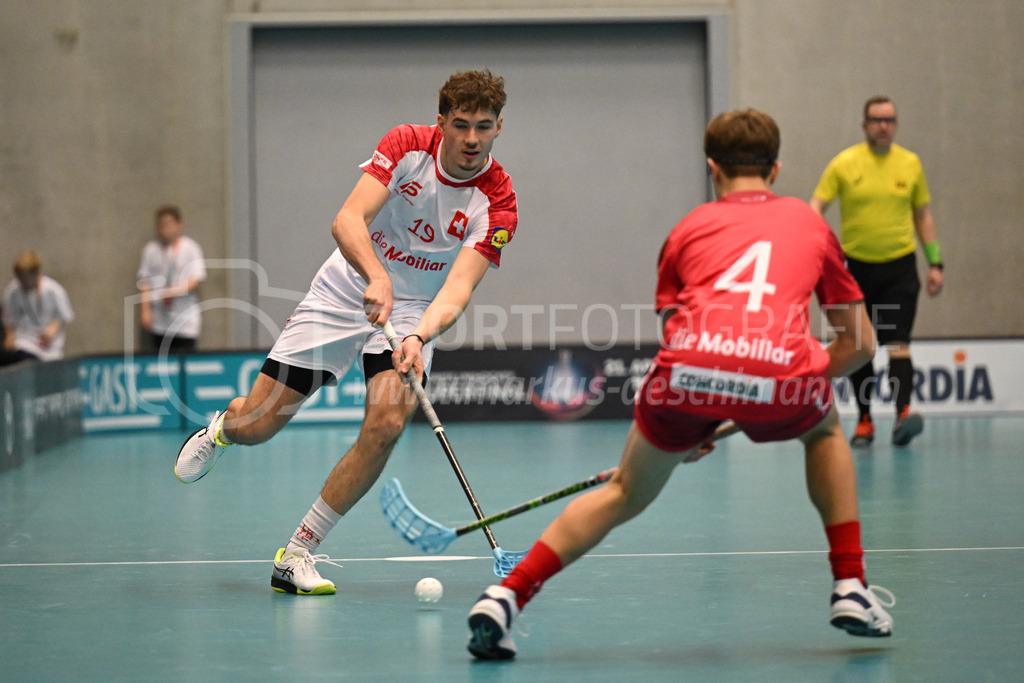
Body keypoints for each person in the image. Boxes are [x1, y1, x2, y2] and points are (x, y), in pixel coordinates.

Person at [466, 109, 894, 661]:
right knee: (826, 429)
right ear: (777, 168)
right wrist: (798, 379)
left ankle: (506, 596)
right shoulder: (811, 225)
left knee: (623, 491)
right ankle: (851, 586)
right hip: (781, 375)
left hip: (683, 378)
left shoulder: (687, 230)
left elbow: (679, 335)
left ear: (712, 168)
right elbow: (860, 344)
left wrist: (700, 421)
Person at [174, 70, 518, 595]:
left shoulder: (497, 201)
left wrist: (419, 337)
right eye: (462, 125)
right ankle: (223, 429)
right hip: (347, 285)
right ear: (443, 122)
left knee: (386, 425)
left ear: (499, 127)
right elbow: (347, 219)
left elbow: (457, 290)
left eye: (484, 127)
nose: (472, 139)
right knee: (262, 423)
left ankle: (297, 553)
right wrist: (377, 275)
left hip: (413, 313)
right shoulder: (406, 146)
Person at [809, 95, 945, 447]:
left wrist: (936, 262)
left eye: (889, 120)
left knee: (898, 343)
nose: (883, 126)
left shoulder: (911, 164)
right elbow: (816, 205)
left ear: (895, 124)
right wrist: (808, 244)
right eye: (876, 120)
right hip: (855, 270)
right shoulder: (844, 164)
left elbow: (923, 215)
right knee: (862, 347)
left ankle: (903, 417)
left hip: (900, 268)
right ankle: (865, 421)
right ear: (864, 123)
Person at [137, 205, 207, 353]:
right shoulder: (151, 250)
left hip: (185, 319)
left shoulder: (190, 248)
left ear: (178, 224)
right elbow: (144, 281)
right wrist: (145, 310)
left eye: (169, 224)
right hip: (160, 320)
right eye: (161, 225)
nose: (165, 228)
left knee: (184, 362)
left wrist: (175, 291)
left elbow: (197, 277)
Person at [1, 251, 74, 366]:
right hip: (23, 343)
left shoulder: (53, 290)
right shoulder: (12, 291)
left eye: (26, 278)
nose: (23, 283)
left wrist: (52, 330)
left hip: (49, 347)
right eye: (20, 279)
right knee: (19, 357)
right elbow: (8, 319)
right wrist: (9, 336)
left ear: (36, 273)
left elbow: (62, 315)